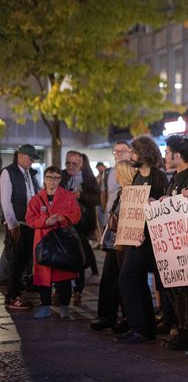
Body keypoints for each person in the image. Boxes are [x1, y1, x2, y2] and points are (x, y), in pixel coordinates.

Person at [117, 135, 168, 343]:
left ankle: (141, 327)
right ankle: (143, 326)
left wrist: (154, 203)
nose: (131, 156)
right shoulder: (138, 177)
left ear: (143, 153)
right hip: (138, 239)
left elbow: (166, 206)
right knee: (134, 279)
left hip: (152, 241)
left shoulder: (159, 177)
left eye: (134, 152)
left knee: (127, 278)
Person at [160, 135, 188, 351]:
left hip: (187, 244)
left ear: (177, 155)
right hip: (173, 244)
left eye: (167, 153)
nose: (165, 156)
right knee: (175, 289)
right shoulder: (173, 179)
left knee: (187, 289)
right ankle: (181, 327)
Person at [26, 165, 82, 320]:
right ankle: (44, 307)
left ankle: (64, 307)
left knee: (63, 274)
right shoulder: (36, 199)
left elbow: (76, 215)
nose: (52, 181)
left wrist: (63, 218)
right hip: (43, 242)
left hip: (62, 242)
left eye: (56, 178)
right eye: (49, 177)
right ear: (44, 179)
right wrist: (46, 220)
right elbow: (30, 219)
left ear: (60, 179)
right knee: (43, 277)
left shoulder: (68, 196)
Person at [91, 160, 136, 332]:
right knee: (109, 278)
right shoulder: (120, 192)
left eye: (118, 172)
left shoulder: (132, 193)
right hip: (113, 240)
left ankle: (127, 318)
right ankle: (108, 315)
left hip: (124, 242)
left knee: (124, 279)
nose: (115, 176)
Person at [1, 144, 41, 310]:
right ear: (21, 155)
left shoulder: (29, 174)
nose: (31, 162)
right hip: (17, 223)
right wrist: (12, 224)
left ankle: (17, 292)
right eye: (30, 158)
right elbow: (5, 200)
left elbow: (33, 196)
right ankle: (12, 297)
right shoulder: (7, 172)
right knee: (15, 260)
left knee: (23, 259)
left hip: (29, 223)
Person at [60, 150, 100, 306]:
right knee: (62, 257)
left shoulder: (88, 177)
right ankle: (61, 291)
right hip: (62, 222)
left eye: (74, 164)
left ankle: (78, 290)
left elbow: (97, 198)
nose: (70, 166)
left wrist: (80, 195)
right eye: (68, 163)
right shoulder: (61, 175)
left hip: (81, 223)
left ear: (81, 164)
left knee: (80, 256)